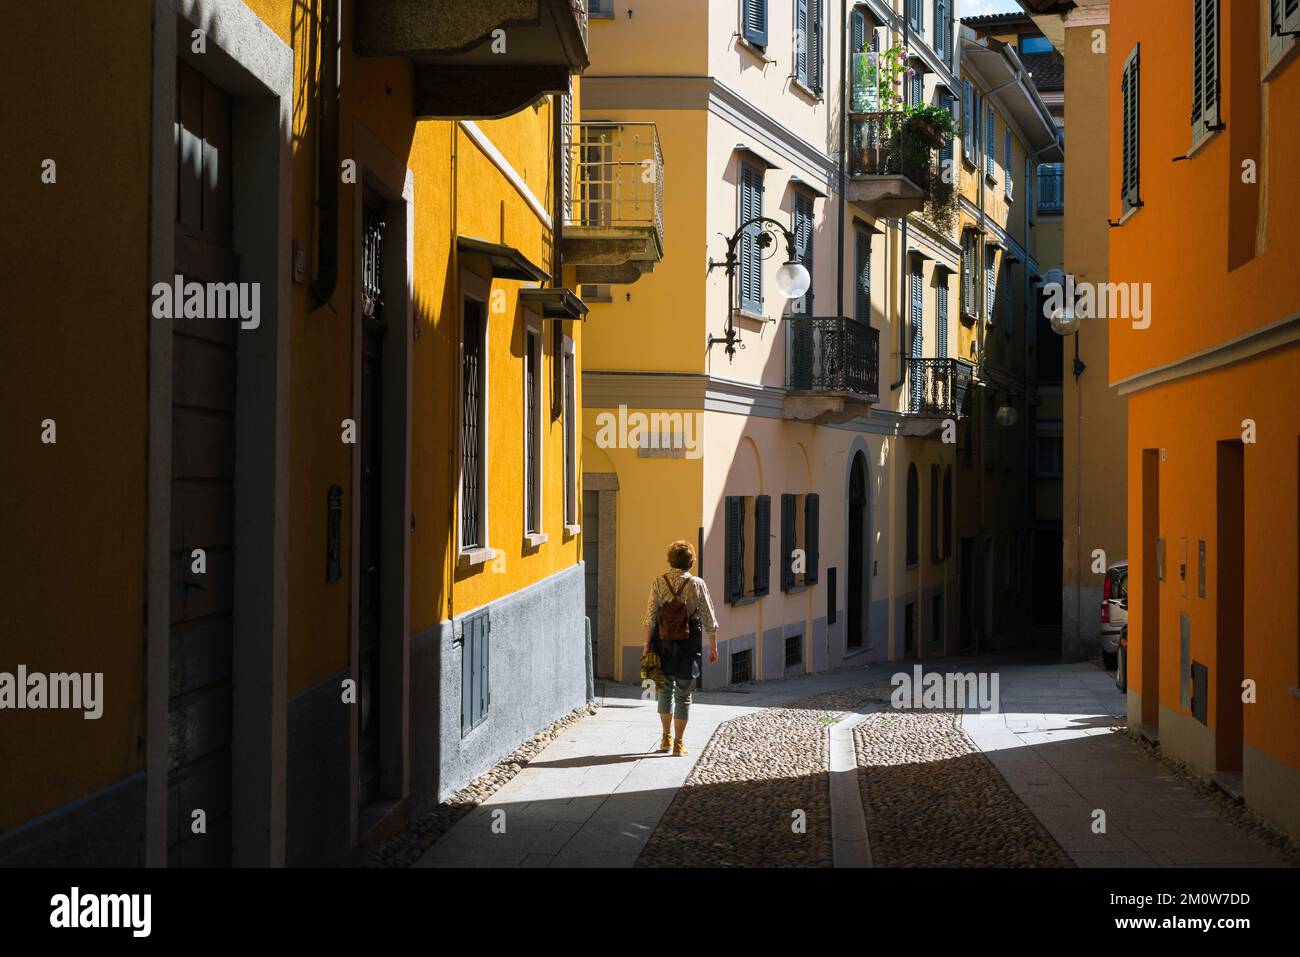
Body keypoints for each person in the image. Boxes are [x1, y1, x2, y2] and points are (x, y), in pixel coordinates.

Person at [641, 540, 719, 756]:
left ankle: (665, 738)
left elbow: (650, 617)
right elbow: (709, 617)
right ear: (690, 561)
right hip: (688, 642)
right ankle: (679, 743)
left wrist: (647, 646)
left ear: (670, 560)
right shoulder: (697, 584)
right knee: (684, 694)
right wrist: (713, 646)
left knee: (664, 690)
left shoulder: (659, 581)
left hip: (663, 641)